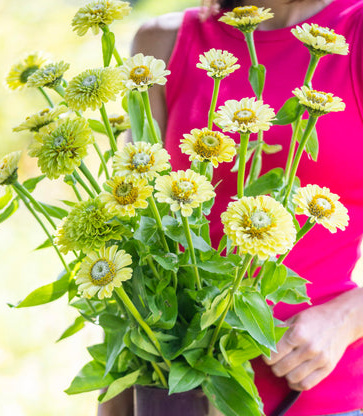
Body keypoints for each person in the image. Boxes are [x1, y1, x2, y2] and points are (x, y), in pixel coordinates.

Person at [100, 0, 363, 415]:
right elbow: (134, 240)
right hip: (175, 395)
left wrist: (347, 317)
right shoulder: (162, 43)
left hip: (314, 392)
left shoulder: (355, 33)